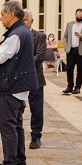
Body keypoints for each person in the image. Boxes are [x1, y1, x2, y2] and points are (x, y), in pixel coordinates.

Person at [0, 1, 39, 165]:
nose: (0, 18)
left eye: (2, 14)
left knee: (7, 126)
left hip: (12, 86)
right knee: (16, 125)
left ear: (11, 15)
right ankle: (20, 160)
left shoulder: (16, 34)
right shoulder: (23, 31)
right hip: (20, 87)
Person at [23, 9, 47, 149]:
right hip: (18, 80)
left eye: (25, 20)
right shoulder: (15, 36)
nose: (23, 23)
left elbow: (39, 56)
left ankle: (36, 137)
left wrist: (22, 67)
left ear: (32, 21)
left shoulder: (40, 36)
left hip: (35, 78)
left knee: (36, 110)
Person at [62, 9, 82, 95]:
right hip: (71, 49)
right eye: (77, 16)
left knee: (80, 69)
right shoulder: (69, 24)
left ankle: (77, 87)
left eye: (81, 16)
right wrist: (66, 46)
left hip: (81, 50)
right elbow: (65, 36)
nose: (79, 18)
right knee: (69, 68)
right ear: (75, 15)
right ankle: (70, 86)